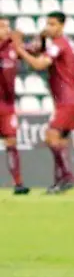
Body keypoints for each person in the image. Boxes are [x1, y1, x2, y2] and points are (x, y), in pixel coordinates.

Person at [12, 12, 74, 194]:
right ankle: (60, 181)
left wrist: (19, 49)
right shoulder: (57, 44)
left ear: (61, 26)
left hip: (67, 100)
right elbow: (34, 50)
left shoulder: (59, 45)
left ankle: (66, 177)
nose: (49, 27)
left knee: (51, 136)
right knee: (60, 141)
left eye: (52, 24)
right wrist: (37, 39)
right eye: (47, 24)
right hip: (67, 99)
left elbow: (38, 64)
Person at [0, 18, 29, 195]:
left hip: (7, 106)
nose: (6, 30)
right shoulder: (6, 45)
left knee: (11, 143)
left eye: (7, 27)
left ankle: (18, 183)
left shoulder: (12, 48)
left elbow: (35, 51)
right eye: (1, 27)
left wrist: (32, 41)